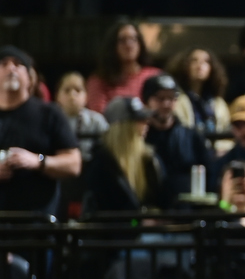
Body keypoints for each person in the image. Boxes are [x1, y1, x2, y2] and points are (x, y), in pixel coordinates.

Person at [0, 46, 82, 215]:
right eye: (4, 63)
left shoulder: (49, 114)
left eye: (18, 64)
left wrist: (38, 161)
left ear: (30, 78)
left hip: (38, 221)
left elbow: (74, 164)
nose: (11, 68)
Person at [82, 97, 162, 215]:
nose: (147, 123)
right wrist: (137, 222)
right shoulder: (100, 163)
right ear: (123, 126)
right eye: (140, 119)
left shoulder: (148, 159)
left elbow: (157, 202)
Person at [140, 74, 212, 203]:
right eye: (160, 99)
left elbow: (209, 174)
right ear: (146, 101)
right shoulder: (141, 138)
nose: (166, 104)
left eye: (171, 98)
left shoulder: (191, 136)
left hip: (186, 206)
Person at [85, 22, 163, 114]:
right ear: (113, 46)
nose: (129, 45)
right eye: (122, 40)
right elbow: (99, 115)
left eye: (133, 39)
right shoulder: (99, 80)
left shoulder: (155, 75)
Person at [167, 47, 231, 137]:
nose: (200, 65)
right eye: (194, 61)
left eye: (206, 61)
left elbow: (226, 132)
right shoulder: (176, 100)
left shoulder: (218, 103)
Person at [54, 71, 107, 161]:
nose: (72, 95)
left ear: (86, 96)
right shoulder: (51, 121)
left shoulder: (96, 121)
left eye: (78, 90)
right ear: (57, 96)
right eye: (67, 90)